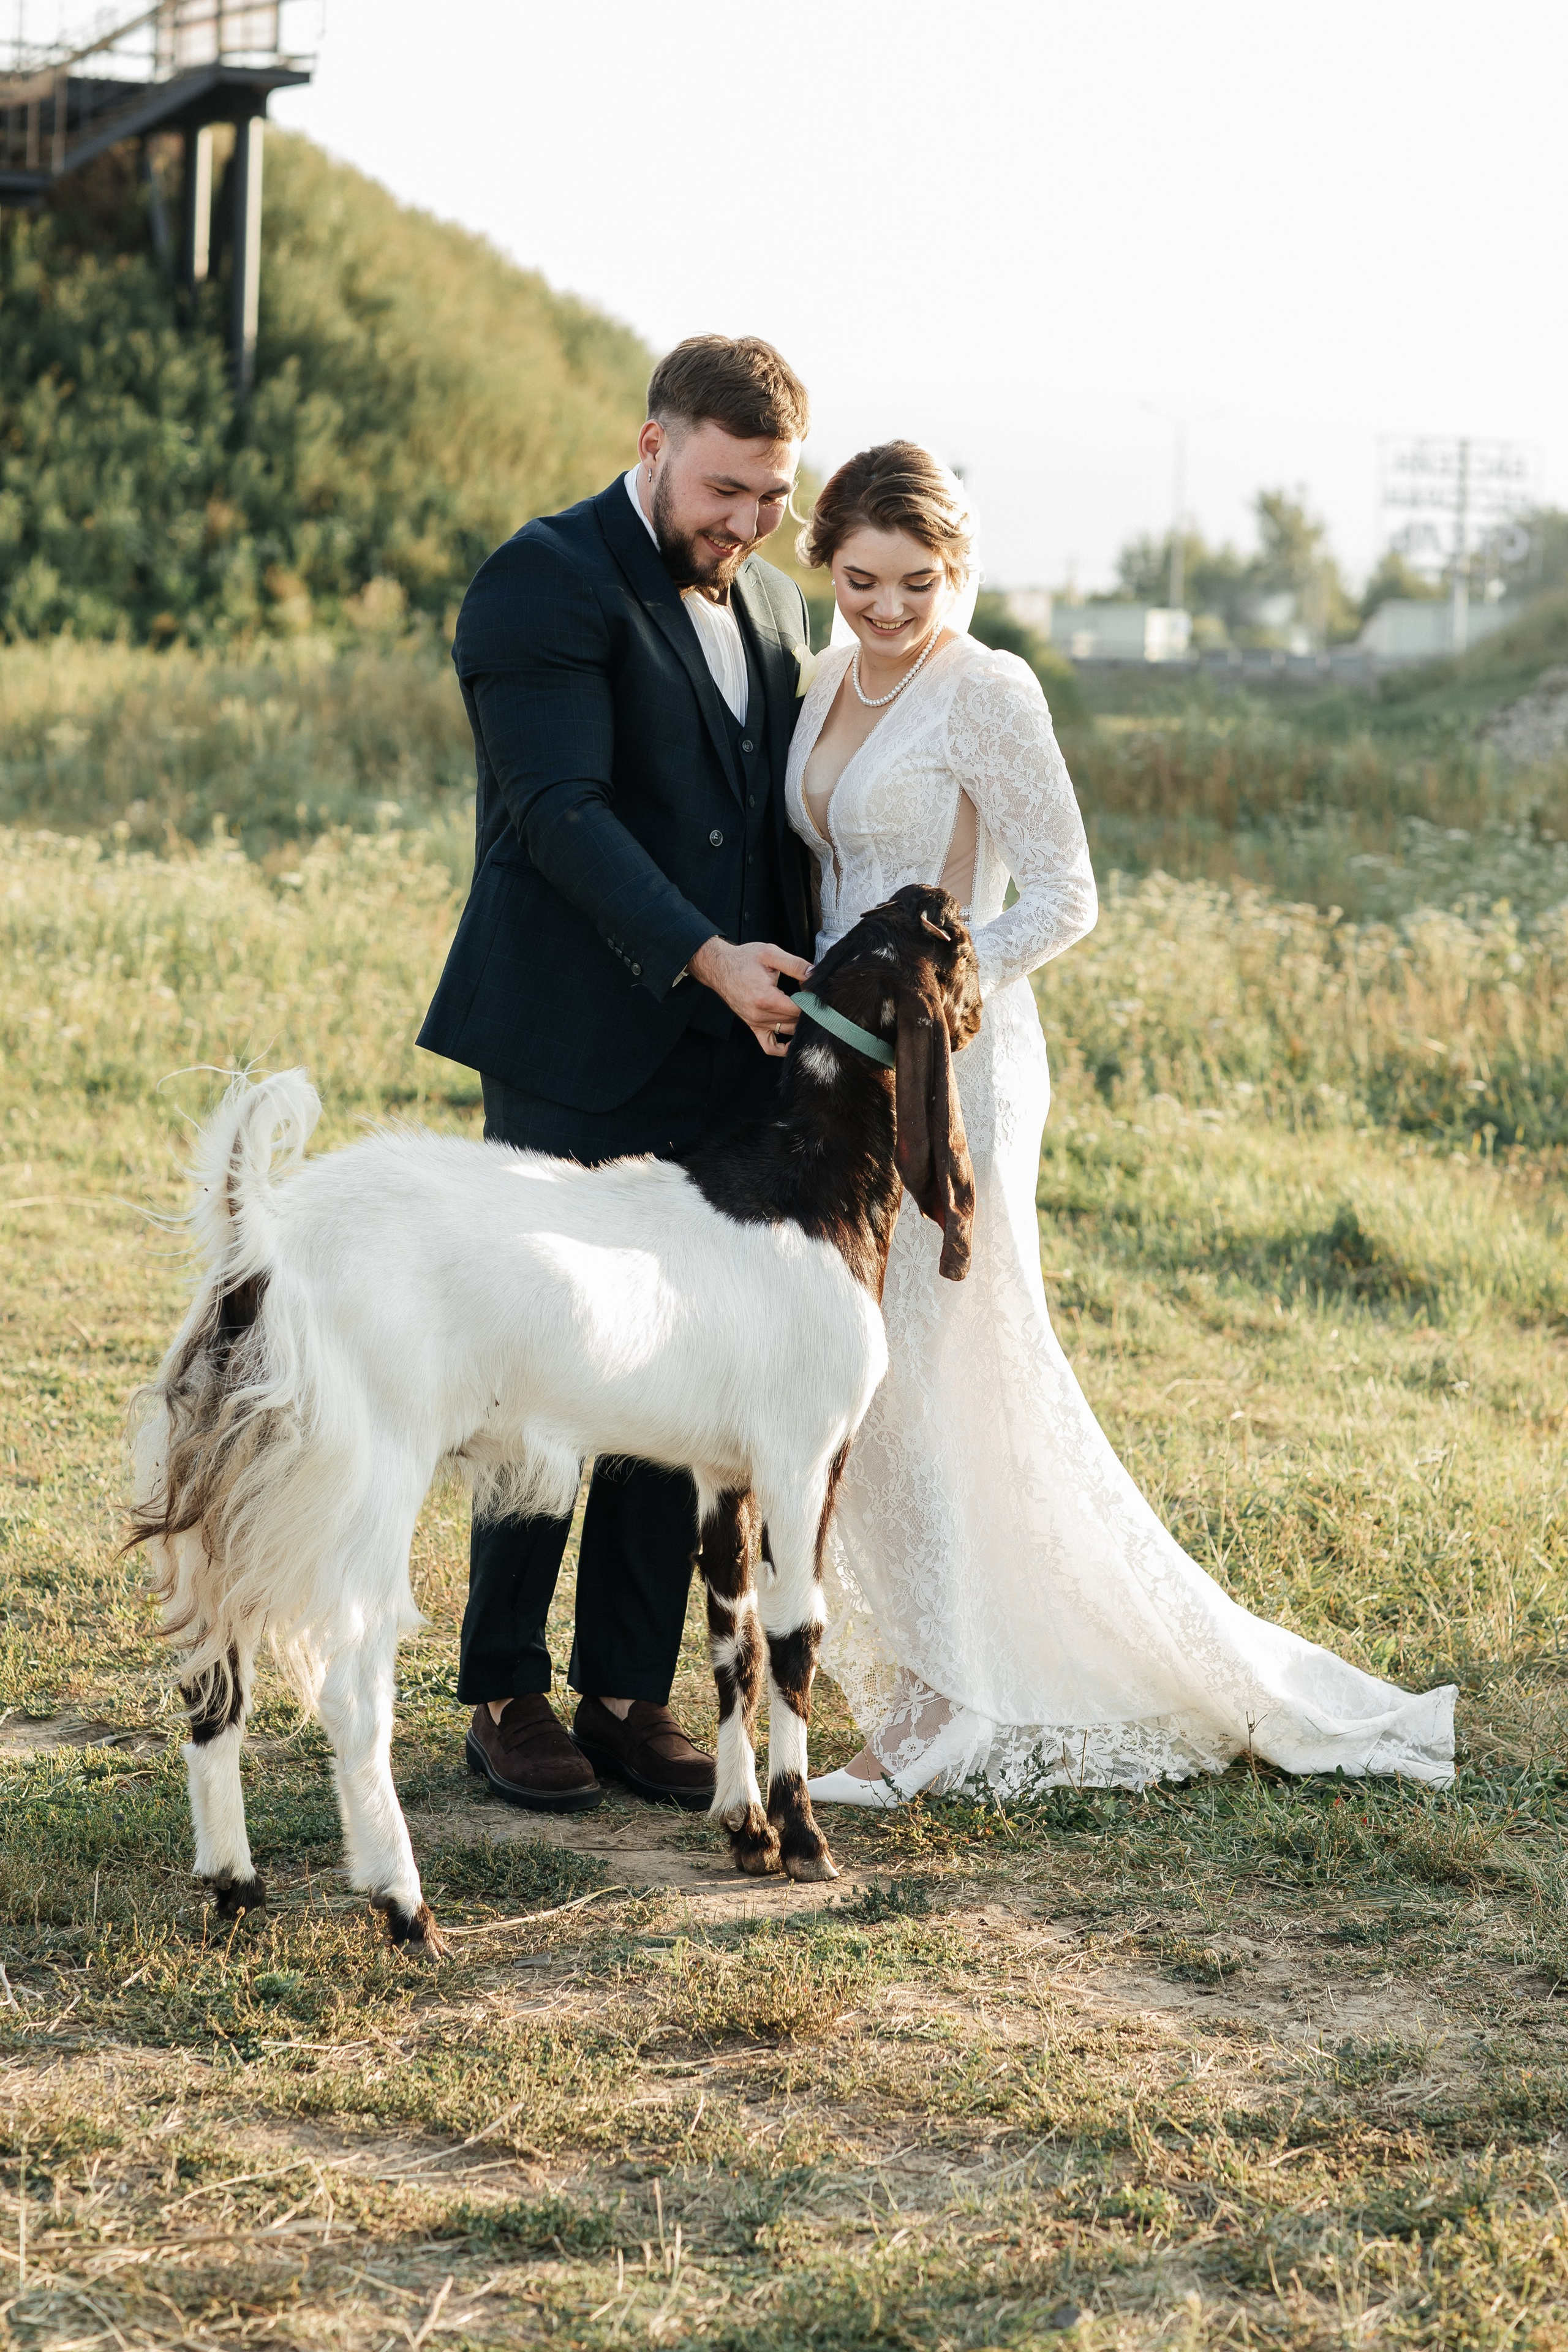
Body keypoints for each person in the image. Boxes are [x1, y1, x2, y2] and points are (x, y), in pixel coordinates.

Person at [785, 442, 1456, 1804]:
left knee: (933, 1369)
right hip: (838, 1071)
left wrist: (931, 1002)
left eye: (918, 582)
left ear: (957, 571)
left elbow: (1066, 896)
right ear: (826, 565)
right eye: (861, 580)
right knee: (868, 1373)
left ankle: (948, 1703)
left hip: (957, 1071)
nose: (889, 608)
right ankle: (931, 1672)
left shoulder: (988, 690)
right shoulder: (819, 679)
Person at [418, 336, 817, 1814]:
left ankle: (628, 1692)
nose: (747, 524)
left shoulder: (773, 603)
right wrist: (703, 955)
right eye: (723, 490)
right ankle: (503, 1690)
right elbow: (558, 811)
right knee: (538, 1356)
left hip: (730, 1060)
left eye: (771, 497)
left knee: (683, 1360)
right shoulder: (539, 580)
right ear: (651, 443)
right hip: (573, 1042)